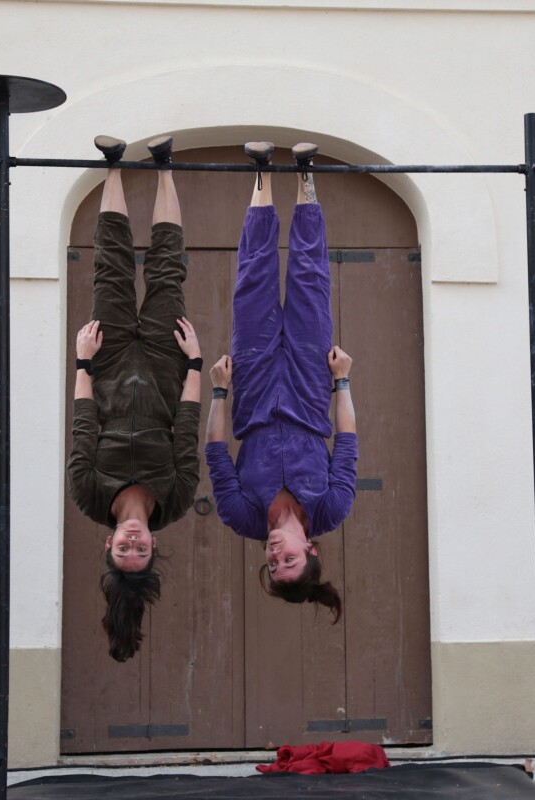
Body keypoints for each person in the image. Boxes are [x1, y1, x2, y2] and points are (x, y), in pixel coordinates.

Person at [205, 142, 357, 623]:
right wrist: (342, 382)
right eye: (287, 560)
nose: (275, 555)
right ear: (310, 550)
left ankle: (262, 171)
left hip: (251, 389)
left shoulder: (242, 517)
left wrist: (220, 390)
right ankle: (307, 174)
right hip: (311, 388)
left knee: (253, 279)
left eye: (272, 564)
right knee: (311, 277)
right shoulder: (332, 508)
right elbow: (348, 441)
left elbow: (215, 452)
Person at [66, 135, 202, 662]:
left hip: (109, 360)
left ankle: (113, 164)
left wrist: (81, 360)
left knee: (113, 268)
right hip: (168, 366)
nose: (131, 541)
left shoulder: (88, 493)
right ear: (151, 548)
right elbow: (186, 424)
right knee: (168, 269)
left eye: (123, 548)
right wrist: (193, 361)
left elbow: (84, 423)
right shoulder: (176, 496)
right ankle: (166, 168)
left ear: (108, 545)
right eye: (139, 550)